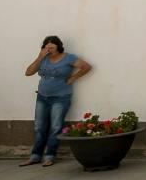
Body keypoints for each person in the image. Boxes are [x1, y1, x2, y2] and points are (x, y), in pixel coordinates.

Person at [22, 36, 93, 168]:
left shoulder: (68, 58)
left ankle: (50, 156)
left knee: (55, 127)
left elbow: (86, 67)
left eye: (52, 47)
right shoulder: (43, 58)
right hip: (42, 97)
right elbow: (28, 72)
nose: (49, 50)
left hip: (60, 97)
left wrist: (73, 78)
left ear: (58, 47)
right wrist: (39, 57)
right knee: (39, 127)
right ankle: (35, 155)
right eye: (47, 47)